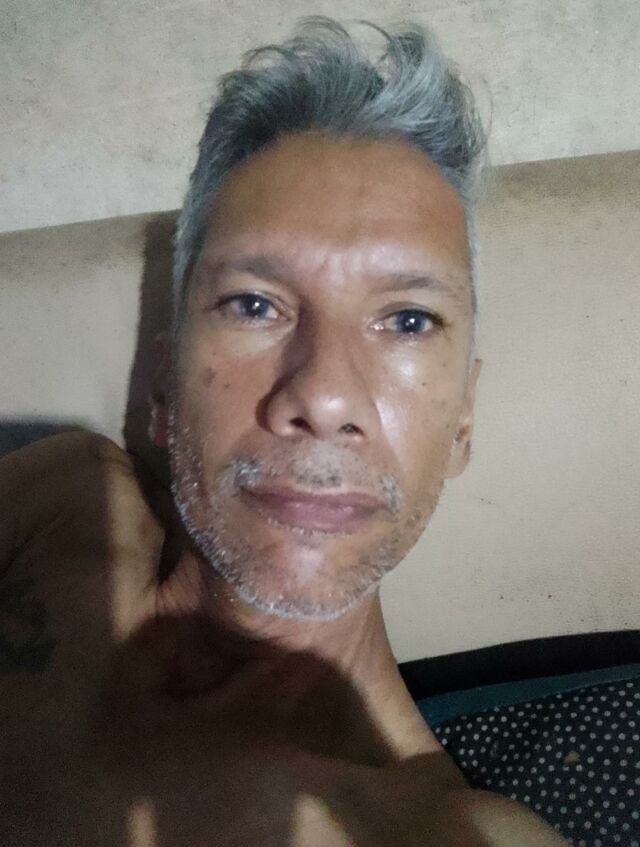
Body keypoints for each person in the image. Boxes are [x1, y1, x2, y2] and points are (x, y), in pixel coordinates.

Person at [0, 15, 569, 846]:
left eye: (408, 319)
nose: (325, 395)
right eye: (254, 304)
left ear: (463, 421)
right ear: (163, 386)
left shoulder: (453, 831)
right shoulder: (62, 507)